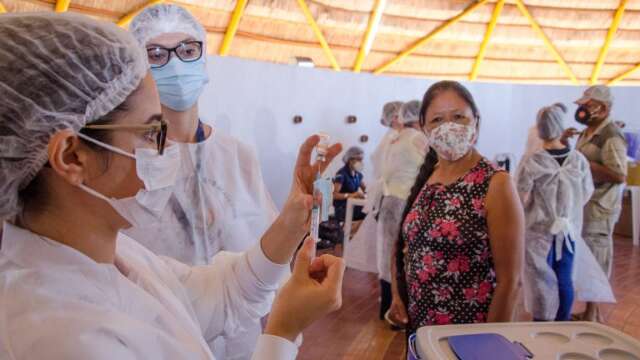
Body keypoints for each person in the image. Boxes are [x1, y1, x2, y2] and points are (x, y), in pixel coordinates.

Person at [0, 13, 345, 359]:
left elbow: (220, 293)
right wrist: (282, 332)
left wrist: (291, 219)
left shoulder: (117, 256)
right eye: (152, 133)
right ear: (72, 157)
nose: (166, 150)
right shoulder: (62, 337)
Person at [127, 5, 278, 357]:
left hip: (239, 339)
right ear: (136, 67)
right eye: (156, 54)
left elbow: (266, 248)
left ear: (203, 57)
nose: (175, 65)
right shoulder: (124, 159)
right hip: (156, 337)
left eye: (188, 50)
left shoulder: (238, 155)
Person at [388, 81, 524, 335]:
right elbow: (406, 244)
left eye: (458, 117)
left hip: (467, 334)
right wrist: (398, 294)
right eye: (437, 120)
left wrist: (487, 346)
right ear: (425, 129)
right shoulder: (429, 177)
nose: (448, 127)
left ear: (476, 122)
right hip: (422, 330)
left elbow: (510, 281)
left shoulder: (495, 183)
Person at [517, 103, 614, 322]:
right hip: (568, 230)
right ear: (561, 127)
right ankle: (563, 321)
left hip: (538, 232)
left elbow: (519, 194)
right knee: (564, 278)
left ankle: (543, 321)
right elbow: (586, 192)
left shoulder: (533, 160)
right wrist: (566, 211)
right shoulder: (578, 160)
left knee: (541, 279)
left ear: (540, 128)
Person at [563, 85, 627, 322]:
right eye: (582, 106)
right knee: (587, 256)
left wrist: (586, 166)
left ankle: (592, 312)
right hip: (585, 205)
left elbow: (619, 175)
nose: (582, 110)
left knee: (598, 256)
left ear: (604, 108)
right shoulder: (587, 132)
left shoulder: (610, 135)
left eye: (587, 106)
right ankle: (590, 311)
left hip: (601, 207)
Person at [376, 100, 428, 327]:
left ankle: (385, 306)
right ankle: (398, 310)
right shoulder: (417, 139)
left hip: (388, 199)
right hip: (405, 201)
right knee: (403, 255)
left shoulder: (393, 139)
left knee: (387, 253)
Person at [332, 146, 367, 223]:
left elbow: (365, 189)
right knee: (369, 212)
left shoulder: (358, 174)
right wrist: (352, 195)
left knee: (372, 209)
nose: (361, 162)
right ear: (350, 159)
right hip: (342, 209)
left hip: (353, 205)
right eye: (358, 159)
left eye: (361, 160)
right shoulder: (341, 174)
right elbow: (335, 195)